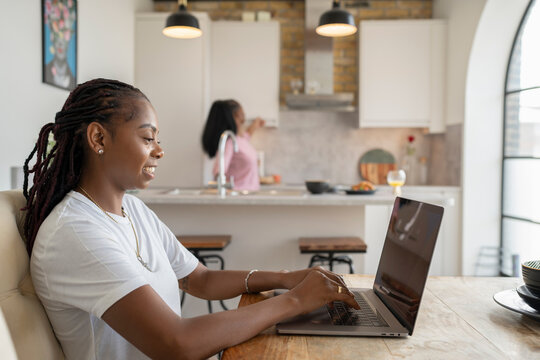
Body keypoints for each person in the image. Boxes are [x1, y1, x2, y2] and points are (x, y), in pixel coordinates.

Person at [23, 78, 359, 360]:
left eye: (157, 139)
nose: (159, 150)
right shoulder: (76, 232)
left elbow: (200, 279)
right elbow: (177, 342)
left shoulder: (134, 210)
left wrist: (285, 278)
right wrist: (297, 301)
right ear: (98, 139)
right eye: (147, 138)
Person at [201, 99, 264, 191]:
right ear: (236, 117)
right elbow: (218, 171)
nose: (244, 119)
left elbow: (246, 137)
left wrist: (254, 125)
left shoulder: (237, 140)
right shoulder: (229, 143)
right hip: (237, 197)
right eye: (242, 114)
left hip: (248, 195)